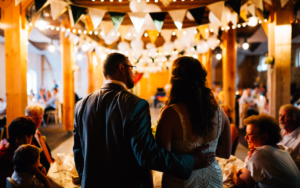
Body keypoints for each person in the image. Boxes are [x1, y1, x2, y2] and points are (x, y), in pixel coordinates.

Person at [73, 53, 215, 188]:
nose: (134, 73)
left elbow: (78, 153)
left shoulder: (81, 105)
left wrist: (87, 180)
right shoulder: (135, 105)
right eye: (132, 67)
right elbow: (147, 156)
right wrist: (192, 161)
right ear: (122, 68)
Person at [156, 56, 231, 188]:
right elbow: (225, 153)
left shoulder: (170, 114)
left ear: (175, 81)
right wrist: (208, 152)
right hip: (213, 177)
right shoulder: (219, 112)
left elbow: (162, 160)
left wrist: (189, 157)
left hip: (182, 180)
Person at [233, 114, 300, 188]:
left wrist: (236, 175)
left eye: (249, 134)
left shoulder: (261, 153)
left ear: (264, 137)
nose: (245, 137)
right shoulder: (280, 148)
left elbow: (243, 183)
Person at [0, 117, 36, 187]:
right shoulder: (4, 158)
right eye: (22, 137)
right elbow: (10, 184)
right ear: (13, 137)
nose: (27, 141)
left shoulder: (29, 146)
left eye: (29, 136)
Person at [26, 105, 54, 172]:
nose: (38, 121)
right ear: (27, 118)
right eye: (35, 118)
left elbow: (44, 150)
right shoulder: (28, 136)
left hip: (48, 164)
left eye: (40, 118)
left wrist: (52, 160)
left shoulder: (37, 131)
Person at [278, 104, 300, 170]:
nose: (281, 119)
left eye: (286, 116)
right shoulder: (281, 132)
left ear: (296, 119)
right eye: (280, 116)